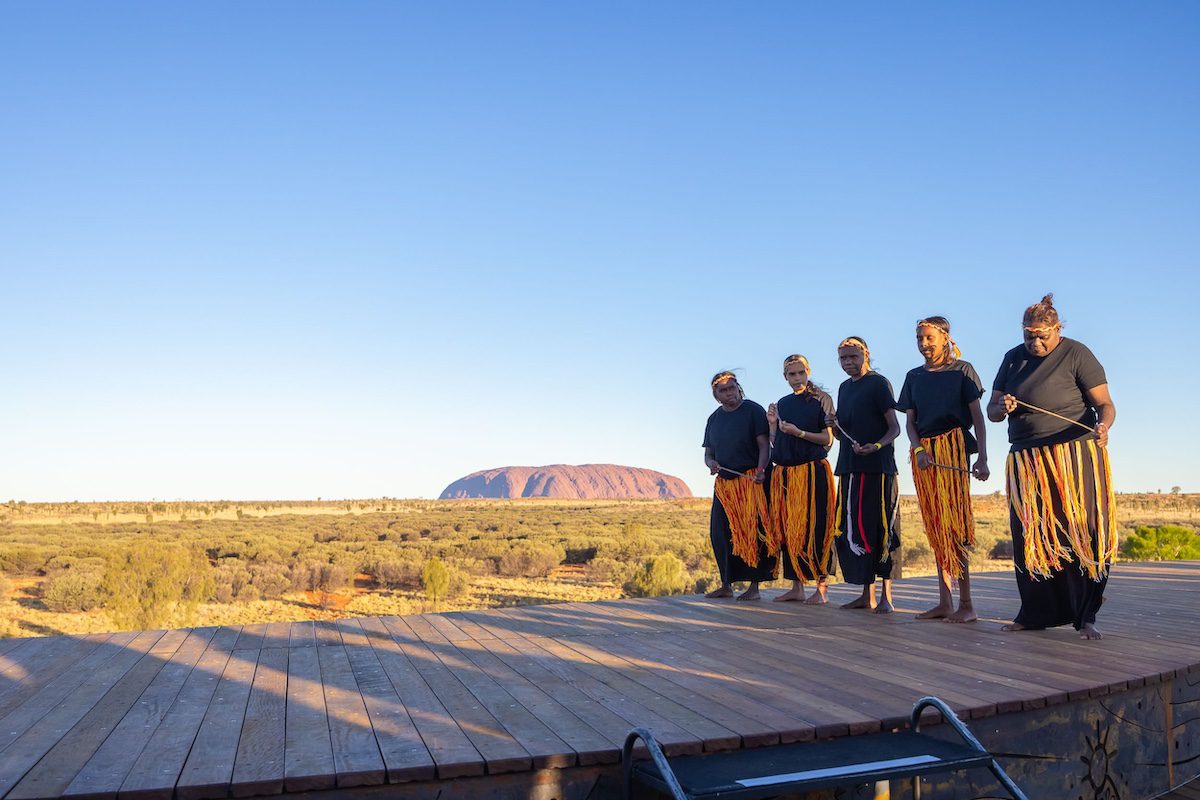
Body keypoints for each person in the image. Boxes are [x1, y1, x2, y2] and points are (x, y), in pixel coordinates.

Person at [987, 294, 1116, 640]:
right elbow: (992, 412)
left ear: (1057, 329)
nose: (1035, 342)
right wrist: (1004, 406)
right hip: (1027, 459)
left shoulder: (1077, 353)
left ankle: (1085, 616)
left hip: (1074, 456)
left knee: (1079, 531)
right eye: (1029, 335)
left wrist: (1104, 427)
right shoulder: (1013, 359)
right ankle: (1033, 614)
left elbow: (1104, 405)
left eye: (1042, 334)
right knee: (1031, 535)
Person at [896, 317, 989, 623]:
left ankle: (967, 603)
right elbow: (910, 422)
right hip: (924, 455)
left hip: (952, 450)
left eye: (929, 338)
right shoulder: (914, 376)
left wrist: (982, 458)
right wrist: (920, 449)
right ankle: (944, 601)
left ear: (945, 337)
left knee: (955, 524)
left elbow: (977, 418)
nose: (924, 344)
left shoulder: (963, 371)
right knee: (935, 523)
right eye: (919, 339)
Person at [826, 337, 902, 613]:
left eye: (853, 357)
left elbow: (894, 428)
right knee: (854, 530)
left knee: (881, 529)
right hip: (849, 468)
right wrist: (832, 425)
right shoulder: (844, 388)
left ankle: (886, 597)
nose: (848, 363)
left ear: (866, 354)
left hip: (877, 469)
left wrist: (877, 446)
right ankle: (865, 594)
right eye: (843, 359)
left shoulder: (879, 384)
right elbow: (841, 433)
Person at [766, 355, 837, 604]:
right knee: (789, 528)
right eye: (791, 375)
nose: (797, 379)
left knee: (816, 526)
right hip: (785, 473)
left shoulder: (821, 400)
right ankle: (796, 586)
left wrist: (800, 433)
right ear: (785, 377)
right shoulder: (783, 403)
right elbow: (778, 441)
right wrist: (773, 425)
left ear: (808, 372)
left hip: (812, 471)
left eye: (800, 373)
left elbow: (827, 440)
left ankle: (821, 588)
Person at [702, 371, 777, 600]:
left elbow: (765, 446)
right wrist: (711, 463)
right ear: (716, 394)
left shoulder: (753, 410)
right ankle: (726, 584)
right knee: (721, 532)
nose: (729, 393)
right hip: (725, 485)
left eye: (732, 388)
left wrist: (762, 470)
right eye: (723, 390)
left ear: (738, 387)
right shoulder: (714, 419)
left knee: (755, 531)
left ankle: (754, 587)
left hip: (752, 480)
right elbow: (708, 454)